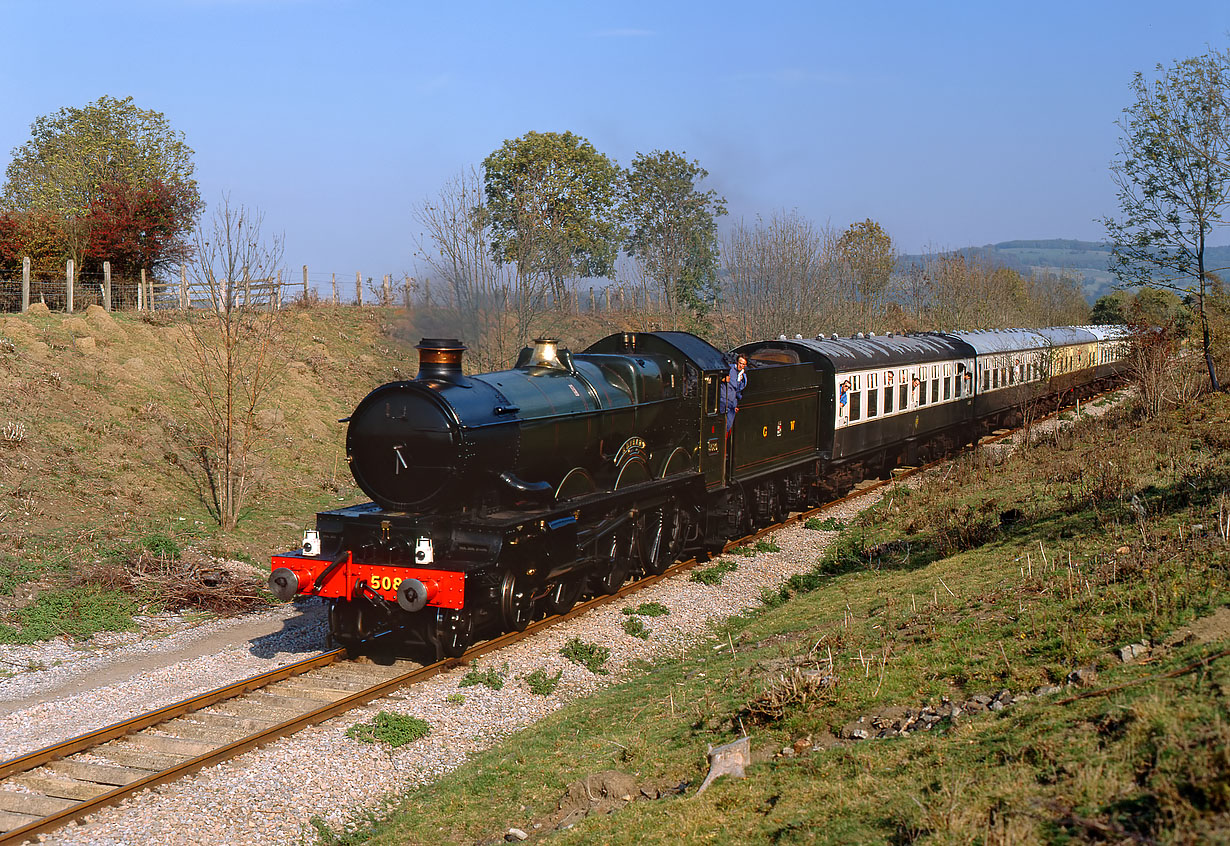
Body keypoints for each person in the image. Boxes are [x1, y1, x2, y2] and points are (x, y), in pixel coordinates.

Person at [720, 354, 747, 438]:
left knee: (728, 425)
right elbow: (719, 377)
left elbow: (739, 391)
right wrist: (724, 379)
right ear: (737, 362)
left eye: (743, 364)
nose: (741, 365)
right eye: (740, 363)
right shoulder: (729, 369)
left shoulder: (743, 376)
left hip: (732, 403)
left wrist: (740, 380)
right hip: (723, 399)